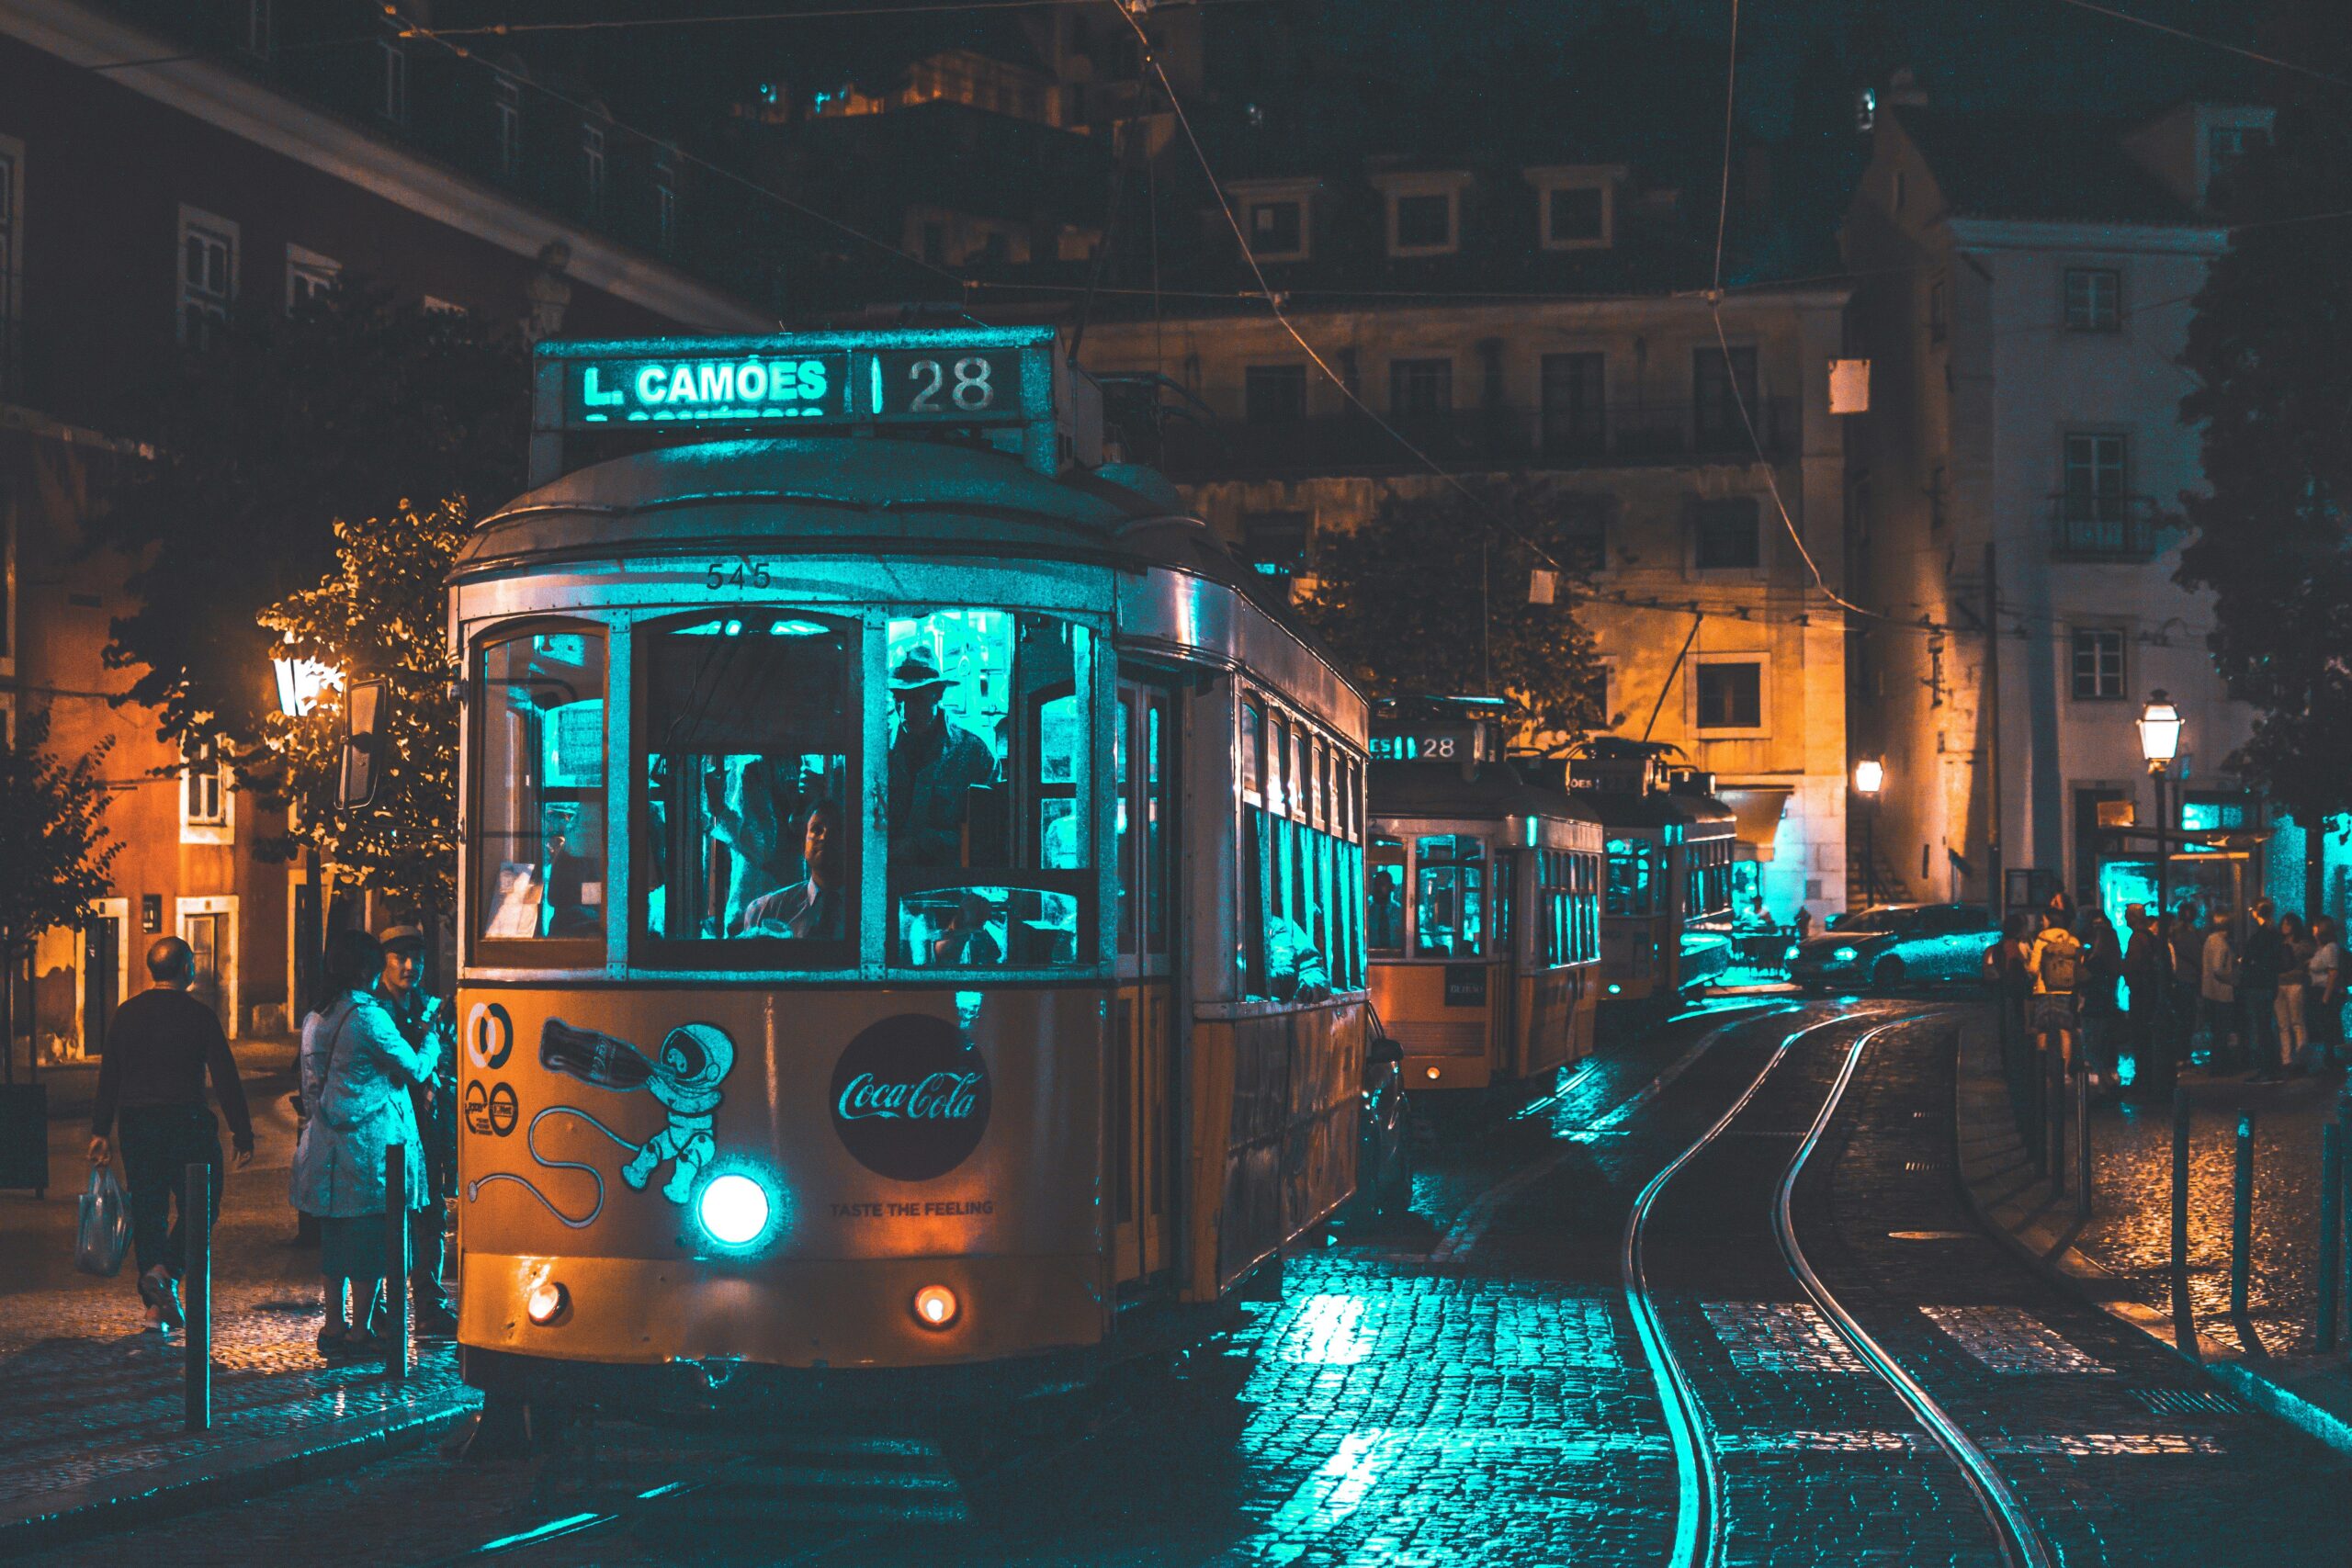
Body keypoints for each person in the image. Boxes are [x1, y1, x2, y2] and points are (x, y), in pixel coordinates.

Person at [86, 938, 254, 1331]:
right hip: (186, 1122)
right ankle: (167, 1273)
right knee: (203, 1204)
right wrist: (242, 1132)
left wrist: (100, 1129)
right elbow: (225, 1076)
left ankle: (154, 1305)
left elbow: (109, 1074)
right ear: (186, 969)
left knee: (149, 1210)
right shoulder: (199, 1015)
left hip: (136, 1124)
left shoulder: (126, 1014)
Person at [290, 929, 435, 1358]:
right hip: (371, 1148)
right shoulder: (368, 1017)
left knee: (334, 1238)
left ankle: (333, 1325)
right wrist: (430, 1039)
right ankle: (360, 1331)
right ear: (367, 969)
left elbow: (311, 1086)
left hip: (327, 1144)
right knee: (371, 1239)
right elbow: (415, 1068)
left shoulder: (316, 1017)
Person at [373, 925, 458, 1337]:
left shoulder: (431, 1008)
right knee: (388, 1217)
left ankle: (429, 1304)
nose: (410, 967)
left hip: (429, 1126)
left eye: (417, 959)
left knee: (431, 1215)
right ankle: (382, 1311)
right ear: (383, 962)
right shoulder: (374, 1012)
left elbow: (449, 1062)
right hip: (391, 1129)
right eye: (400, 958)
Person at [886, 649, 998, 867]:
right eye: (899, 698)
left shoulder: (974, 753)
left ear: (938, 694)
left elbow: (989, 836)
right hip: (887, 883)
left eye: (916, 699)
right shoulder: (878, 750)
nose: (905, 710)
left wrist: (921, 845)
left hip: (949, 884)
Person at [737, 800, 845, 940]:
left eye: (837, 831)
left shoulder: (868, 910)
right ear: (803, 845)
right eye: (817, 829)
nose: (825, 837)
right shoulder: (767, 910)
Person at [2029, 910, 2084, 1076]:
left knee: (2042, 1029)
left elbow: (2033, 968)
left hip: (2044, 989)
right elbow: (2079, 965)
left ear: (2050, 920)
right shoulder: (2072, 940)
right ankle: (2065, 1072)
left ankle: (2042, 1071)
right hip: (2066, 990)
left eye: (2043, 918)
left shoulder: (2042, 938)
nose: (2041, 922)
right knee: (2065, 1031)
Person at [2238, 899, 2286, 1081]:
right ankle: (2272, 1068)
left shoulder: (2261, 935)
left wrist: (2246, 963)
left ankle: (2266, 1069)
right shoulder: (2274, 933)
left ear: (2256, 913)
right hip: (2269, 984)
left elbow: (2253, 957)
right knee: (2267, 1027)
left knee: (2262, 1028)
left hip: (2259, 985)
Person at [2077, 912, 2124, 1092]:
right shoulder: (2112, 959)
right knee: (2103, 1050)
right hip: (2107, 1007)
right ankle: (2109, 1086)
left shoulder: (2096, 961)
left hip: (2095, 1008)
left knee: (2093, 1050)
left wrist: (2077, 958)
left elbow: (2079, 976)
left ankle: (2108, 1087)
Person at [2200, 910, 2239, 1070]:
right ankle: (2221, 1065)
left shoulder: (2210, 940)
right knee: (2222, 1031)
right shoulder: (2221, 943)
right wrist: (2232, 979)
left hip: (2210, 992)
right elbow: (2218, 969)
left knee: (2217, 1031)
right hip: (2221, 993)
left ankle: (2217, 1064)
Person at [2278, 910, 2315, 1074]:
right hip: (2280, 985)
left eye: (2288, 923)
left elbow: (2310, 957)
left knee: (2297, 1022)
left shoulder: (2303, 945)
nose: (2285, 926)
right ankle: (2286, 1059)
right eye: (2283, 923)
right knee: (2283, 1024)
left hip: (2295, 984)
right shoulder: (2278, 943)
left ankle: (2300, 1059)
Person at [2309, 917, 2345, 1071]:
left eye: (2315, 926)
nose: (2313, 929)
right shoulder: (2322, 947)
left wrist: (2325, 998)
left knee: (2328, 1025)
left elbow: (2333, 973)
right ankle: (2330, 1058)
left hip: (2325, 991)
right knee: (2325, 1025)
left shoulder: (2330, 948)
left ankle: (2332, 1060)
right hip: (2319, 990)